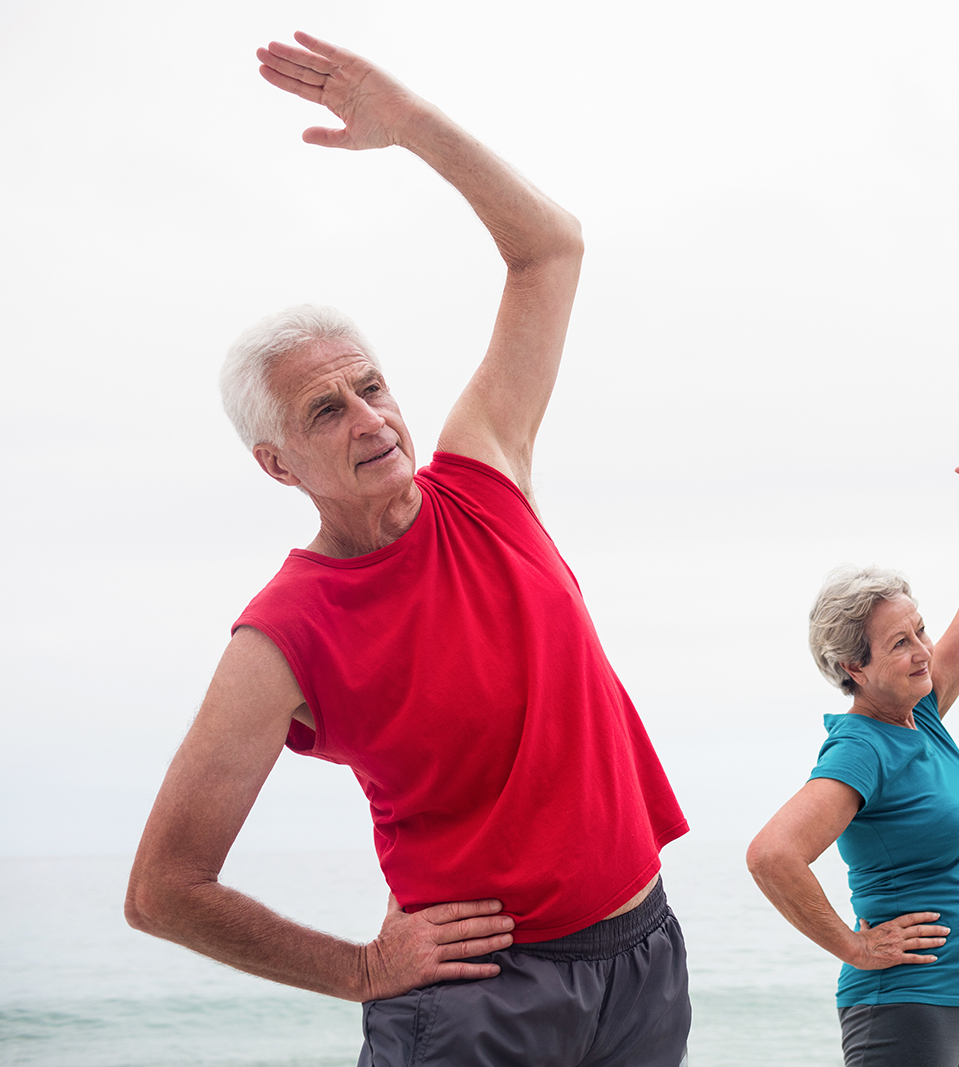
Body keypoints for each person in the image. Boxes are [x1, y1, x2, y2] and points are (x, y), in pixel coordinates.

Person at [124, 32, 691, 1067]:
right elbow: (163, 888)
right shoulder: (282, 635)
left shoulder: (484, 475)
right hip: (480, 1002)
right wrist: (357, 968)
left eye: (371, 386)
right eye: (325, 410)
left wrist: (409, 127)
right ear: (276, 463)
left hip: (643, 958)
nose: (369, 418)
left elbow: (550, 247)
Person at [746, 420, 959, 1067]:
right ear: (854, 666)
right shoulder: (861, 750)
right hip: (906, 1009)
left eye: (920, 630)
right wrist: (853, 945)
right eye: (901, 642)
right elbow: (772, 853)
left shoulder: (921, 713)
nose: (924, 650)